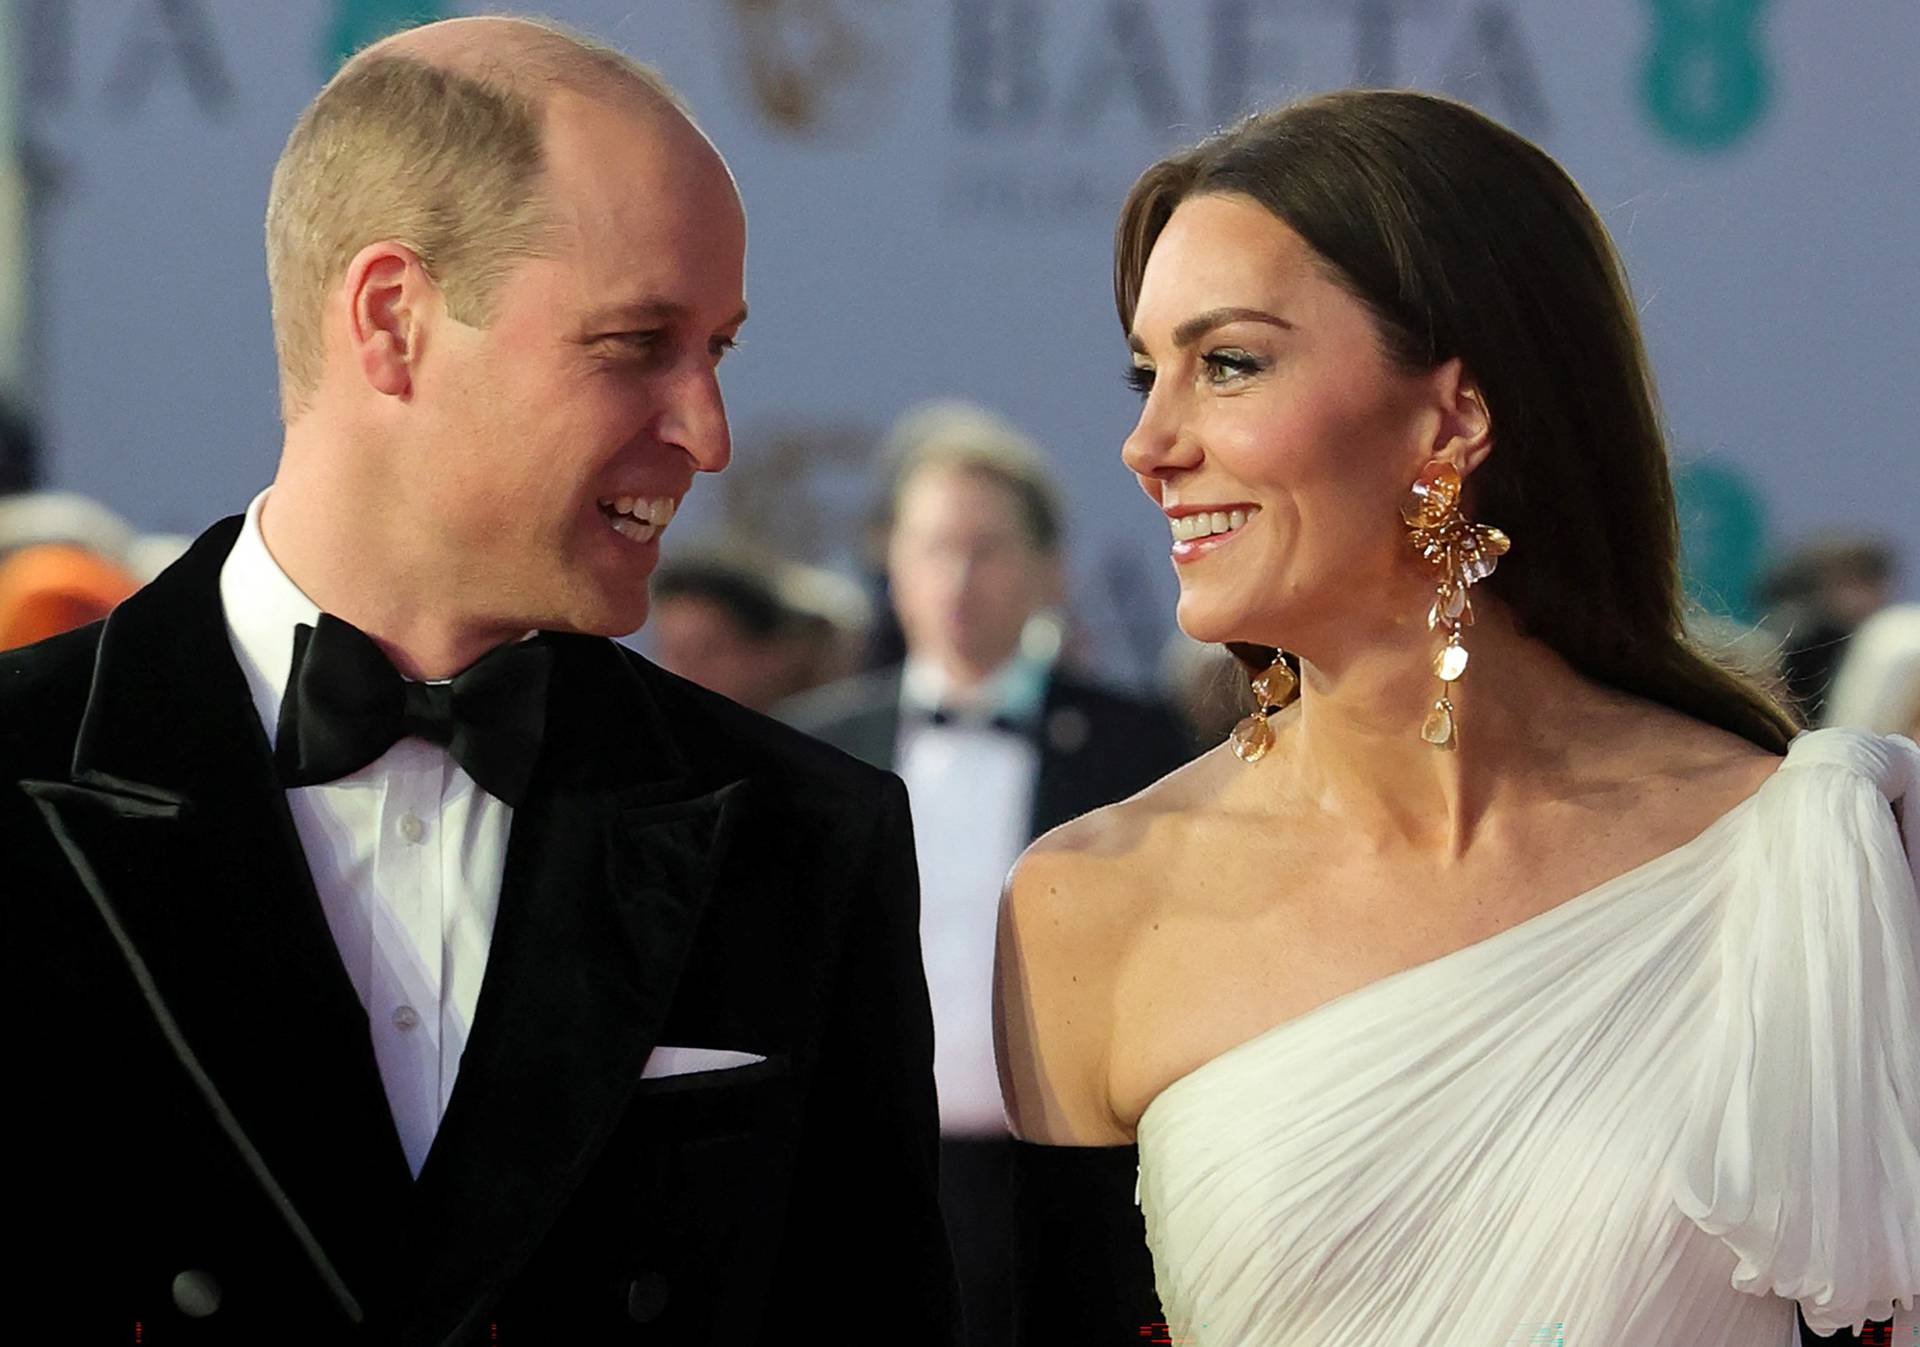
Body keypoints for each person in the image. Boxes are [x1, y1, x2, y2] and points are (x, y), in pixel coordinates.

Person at [3, 16, 957, 1344]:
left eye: (718, 351)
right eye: (636, 344)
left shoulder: (803, 835)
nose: (710, 433)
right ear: (392, 320)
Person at [994, 90, 1919, 1347]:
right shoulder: (1086, 907)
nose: (1147, 443)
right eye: (1145, 372)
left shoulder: (1804, 852)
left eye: (1227, 364)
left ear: (1453, 418)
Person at [787, 400, 1190, 1347]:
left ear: (1050, 570)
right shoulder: (818, 746)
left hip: (1071, 1174)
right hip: (872, 1176)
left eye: (988, 548)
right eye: (932, 546)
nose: (957, 579)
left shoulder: (1135, 744)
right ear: (891, 562)